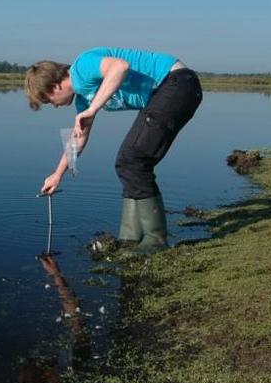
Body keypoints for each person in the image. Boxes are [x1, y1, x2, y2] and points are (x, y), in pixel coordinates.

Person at [24, 47, 203, 254]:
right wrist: (57, 175)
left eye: (48, 101)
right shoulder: (83, 98)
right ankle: (130, 238)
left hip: (176, 83)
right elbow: (78, 140)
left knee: (132, 160)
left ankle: (155, 240)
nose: (53, 106)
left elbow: (120, 67)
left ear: (55, 86)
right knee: (128, 162)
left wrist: (93, 109)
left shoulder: (82, 67)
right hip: (170, 90)